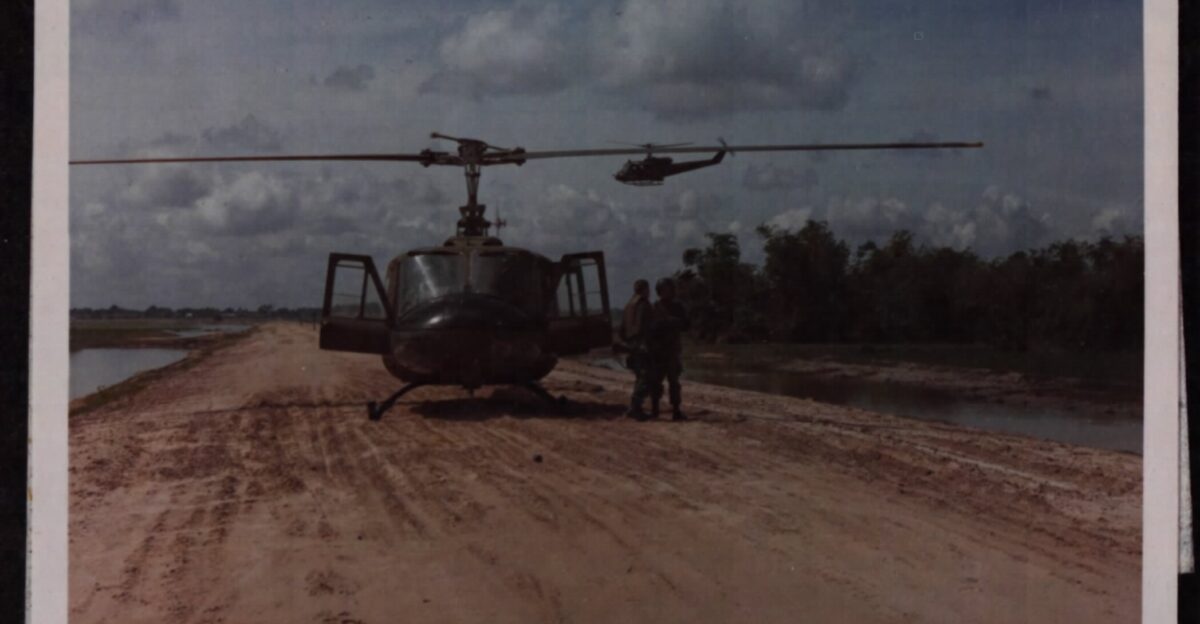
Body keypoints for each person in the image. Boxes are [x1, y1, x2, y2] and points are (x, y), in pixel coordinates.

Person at [646, 277, 690, 421]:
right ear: (659, 291)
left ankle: (676, 410)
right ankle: (655, 409)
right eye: (664, 289)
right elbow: (650, 328)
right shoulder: (655, 307)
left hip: (672, 350)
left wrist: (672, 322)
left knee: (674, 382)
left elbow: (686, 325)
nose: (667, 292)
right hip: (658, 350)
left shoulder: (678, 307)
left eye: (668, 289)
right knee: (656, 381)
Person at [619, 279, 654, 420]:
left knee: (639, 377)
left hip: (632, 346)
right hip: (642, 345)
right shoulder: (643, 305)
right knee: (647, 377)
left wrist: (628, 343)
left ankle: (634, 407)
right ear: (645, 289)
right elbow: (642, 326)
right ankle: (635, 407)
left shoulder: (628, 305)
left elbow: (622, 330)